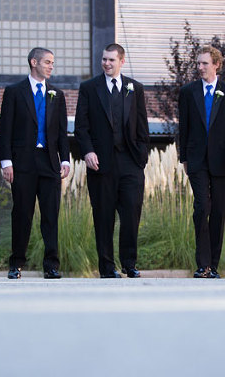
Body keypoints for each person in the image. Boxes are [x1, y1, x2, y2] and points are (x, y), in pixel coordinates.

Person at [74, 43, 149, 278]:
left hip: (130, 163)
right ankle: (107, 267)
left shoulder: (135, 88)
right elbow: (81, 126)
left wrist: (141, 158)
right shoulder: (89, 88)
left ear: (122, 62)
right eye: (104, 59)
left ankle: (129, 264)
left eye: (111, 60)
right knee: (103, 217)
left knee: (131, 215)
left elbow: (142, 127)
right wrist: (88, 151)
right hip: (100, 164)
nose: (106, 63)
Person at [0, 48, 71, 279]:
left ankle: (51, 266)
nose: (51, 66)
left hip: (50, 162)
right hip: (23, 162)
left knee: (51, 215)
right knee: (22, 214)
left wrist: (65, 159)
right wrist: (6, 161)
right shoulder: (14, 92)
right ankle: (16, 264)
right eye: (47, 62)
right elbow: (5, 129)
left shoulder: (57, 94)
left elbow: (62, 131)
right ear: (34, 62)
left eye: (52, 63)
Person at [178, 46, 225, 278]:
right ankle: (202, 264)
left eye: (205, 63)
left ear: (216, 65)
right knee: (202, 207)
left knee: (218, 211)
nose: (200, 67)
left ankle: (213, 265)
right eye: (198, 63)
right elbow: (183, 126)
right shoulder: (188, 92)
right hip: (196, 160)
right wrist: (184, 157)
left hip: (222, 160)